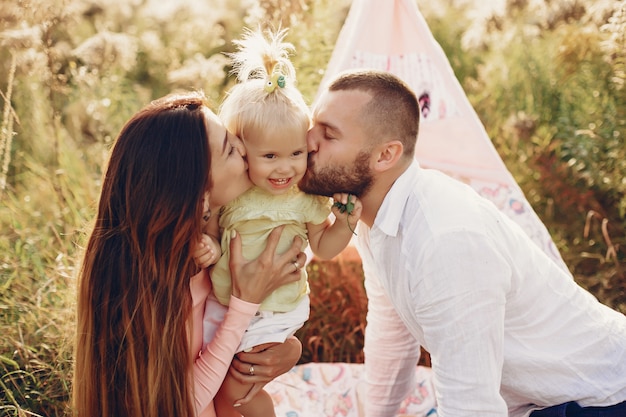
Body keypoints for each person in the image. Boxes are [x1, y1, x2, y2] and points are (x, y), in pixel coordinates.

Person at [298, 69, 626, 417]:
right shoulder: (374, 216)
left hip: (600, 399)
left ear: (384, 156)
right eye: (313, 126)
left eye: (329, 135)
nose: (307, 142)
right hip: (547, 400)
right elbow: (391, 335)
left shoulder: (445, 240)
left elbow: (472, 406)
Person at [72, 91, 307, 417]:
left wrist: (287, 348)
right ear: (196, 190)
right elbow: (181, 404)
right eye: (228, 147)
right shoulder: (149, 282)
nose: (242, 147)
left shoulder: (200, 241)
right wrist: (245, 302)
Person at [194, 28, 362, 417]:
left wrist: (345, 223)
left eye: (296, 153)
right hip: (225, 304)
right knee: (215, 383)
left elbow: (322, 247)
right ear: (242, 151)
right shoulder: (235, 192)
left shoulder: (304, 198)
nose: (285, 167)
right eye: (269, 156)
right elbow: (214, 233)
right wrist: (209, 246)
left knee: (238, 388)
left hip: (275, 309)